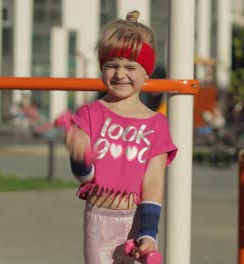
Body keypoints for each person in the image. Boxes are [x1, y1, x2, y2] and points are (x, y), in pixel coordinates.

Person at [57, 10, 177, 263]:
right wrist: (80, 157)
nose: (120, 74)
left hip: (137, 222)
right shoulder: (89, 114)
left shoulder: (157, 123)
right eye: (112, 65)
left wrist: (149, 232)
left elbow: (153, 182)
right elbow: (85, 176)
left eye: (130, 67)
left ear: (147, 72)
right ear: (102, 67)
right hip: (99, 221)